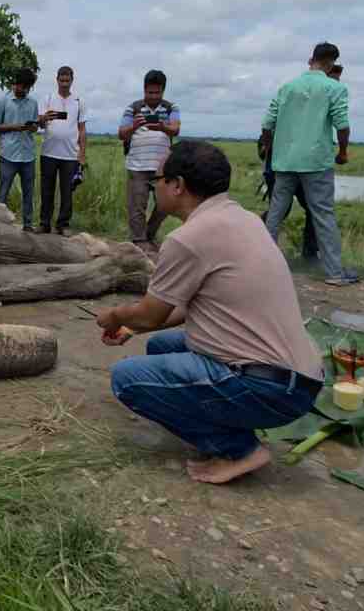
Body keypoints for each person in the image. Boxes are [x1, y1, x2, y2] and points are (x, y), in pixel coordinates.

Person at [96, 140, 323, 484]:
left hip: (269, 388)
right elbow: (189, 308)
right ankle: (228, 417)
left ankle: (238, 448)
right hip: (301, 379)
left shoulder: (188, 238)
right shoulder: (243, 219)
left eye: (157, 179)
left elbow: (151, 315)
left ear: (178, 185)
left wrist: (115, 317)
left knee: (126, 378)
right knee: (161, 347)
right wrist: (135, 329)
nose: (155, 186)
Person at [261, 42, 356, 286]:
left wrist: (271, 150)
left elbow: (268, 123)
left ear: (311, 59)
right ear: (331, 63)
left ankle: (263, 265)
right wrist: (343, 152)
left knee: (275, 214)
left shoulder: (287, 87)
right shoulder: (334, 88)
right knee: (323, 214)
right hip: (316, 162)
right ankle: (335, 273)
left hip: (284, 161)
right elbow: (342, 125)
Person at [256, 67, 343, 260]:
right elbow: (268, 129)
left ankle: (300, 255)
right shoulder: (312, 100)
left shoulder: (295, 94)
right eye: (335, 79)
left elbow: (267, 126)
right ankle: (261, 246)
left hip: (285, 166)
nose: (337, 84)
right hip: (297, 166)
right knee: (290, 210)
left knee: (283, 211)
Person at [118, 70, 181, 254]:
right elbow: (121, 133)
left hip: (162, 166)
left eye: (157, 93)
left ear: (163, 91)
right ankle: (139, 241)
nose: (153, 96)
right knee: (137, 205)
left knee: (165, 204)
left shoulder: (171, 108)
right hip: (137, 165)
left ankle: (149, 235)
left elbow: (176, 129)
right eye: (149, 92)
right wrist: (134, 126)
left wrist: (163, 127)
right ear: (144, 90)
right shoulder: (133, 108)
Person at [0, 67, 45, 231]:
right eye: (22, 86)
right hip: (8, 155)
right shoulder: (3, 101)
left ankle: (27, 225)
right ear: (15, 84)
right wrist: (16, 127)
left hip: (28, 155)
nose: (25, 90)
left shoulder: (33, 102)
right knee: (3, 192)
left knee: (28, 192)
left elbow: (33, 125)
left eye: (28, 87)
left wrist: (34, 127)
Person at [40, 66, 88, 235]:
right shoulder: (48, 98)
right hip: (48, 153)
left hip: (70, 155)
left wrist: (82, 154)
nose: (64, 84)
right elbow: (40, 123)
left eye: (67, 80)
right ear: (57, 80)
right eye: (62, 80)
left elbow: (82, 129)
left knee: (67, 192)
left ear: (72, 80)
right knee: (47, 190)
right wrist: (45, 117)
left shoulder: (79, 101)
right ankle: (44, 223)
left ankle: (63, 224)